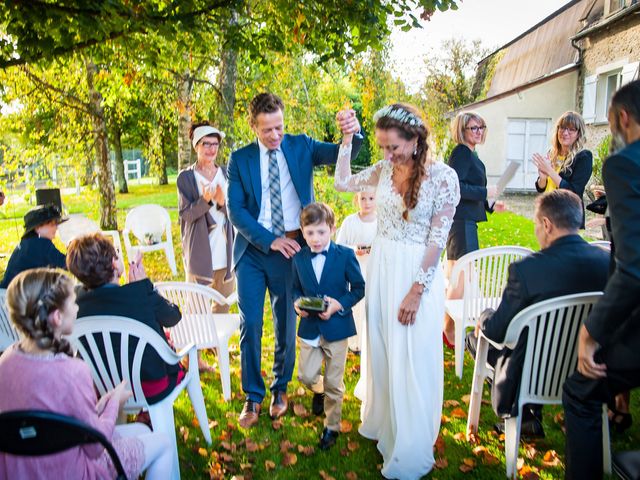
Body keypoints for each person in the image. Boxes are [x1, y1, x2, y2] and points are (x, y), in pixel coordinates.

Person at [335, 103, 460, 479]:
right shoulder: (383, 169)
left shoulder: (444, 177)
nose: (388, 155)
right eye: (383, 147)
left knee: (411, 353)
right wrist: (345, 140)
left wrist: (416, 292)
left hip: (417, 272)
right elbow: (343, 182)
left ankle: (409, 440)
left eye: (394, 147)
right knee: (384, 347)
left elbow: (437, 241)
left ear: (416, 138)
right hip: (383, 267)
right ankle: (385, 422)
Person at [227, 92, 363, 428]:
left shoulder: (301, 145)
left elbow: (344, 155)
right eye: (267, 130)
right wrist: (268, 240)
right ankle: (253, 396)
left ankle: (280, 388)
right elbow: (237, 211)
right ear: (253, 126)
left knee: (287, 321)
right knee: (251, 325)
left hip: (293, 249)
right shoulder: (239, 159)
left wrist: (352, 134)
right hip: (253, 252)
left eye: (279, 128)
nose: (275, 136)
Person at [0, 268, 173, 479]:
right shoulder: (72, 371)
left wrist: (101, 405)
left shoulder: (6, 361)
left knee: (142, 431)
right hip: (69, 470)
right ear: (56, 317)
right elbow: (95, 446)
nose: (76, 308)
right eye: (73, 303)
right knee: (164, 443)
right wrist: (113, 403)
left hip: (19, 470)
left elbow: (55, 420)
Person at [465, 190, 609, 437]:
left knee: (475, 338)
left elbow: (498, 331)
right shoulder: (606, 262)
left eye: (535, 224)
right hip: (588, 368)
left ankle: (526, 415)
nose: (536, 231)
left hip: (532, 373)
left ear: (546, 224)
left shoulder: (526, 270)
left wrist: (484, 316)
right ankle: (532, 417)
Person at [563, 80, 640, 479]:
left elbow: (634, 265)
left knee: (579, 390)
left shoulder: (623, 163)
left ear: (622, 118)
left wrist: (592, 332)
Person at [66, 233, 184, 405]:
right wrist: (146, 287)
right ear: (114, 263)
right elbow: (173, 317)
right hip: (150, 387)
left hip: (103, 387)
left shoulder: (74, 303)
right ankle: (150, 417)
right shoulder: (140, 293)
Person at [292, 203, 365, 450]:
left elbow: (358, 289)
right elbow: (294, 289)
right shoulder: (299, 258)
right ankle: (318, 389)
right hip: (310, 329)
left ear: (332, 229)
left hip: (337, 329)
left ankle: (331, 427)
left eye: (321, 232)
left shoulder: (344, 255)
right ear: (302, 232)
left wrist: (338, 305)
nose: (316, 239)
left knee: (335, 383)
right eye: (310, 233)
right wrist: (296, 304)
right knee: (306, 375)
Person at [444, 112, 505, 346]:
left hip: (465, 221)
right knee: (462, 278)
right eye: (473, 128)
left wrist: (489, 204)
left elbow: (471, 190)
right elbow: (455, 186)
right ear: (462, 130)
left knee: (460, 278)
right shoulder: (461, 152)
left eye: (481, 127)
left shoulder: (471, 154)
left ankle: (446, 328)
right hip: (460, 223)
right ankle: (448, 330)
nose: (478, 131)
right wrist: (484, 192)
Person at [177, 121, 234, 307]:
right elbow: (186, 215)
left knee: (222, 311)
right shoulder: (186, 178)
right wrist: (206, 201)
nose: (211, 149)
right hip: (199, 256)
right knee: (196, 316)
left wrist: (222, 203)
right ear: (196, 146)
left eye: (215, 144)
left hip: (225, 257)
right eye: (206, 144)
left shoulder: (227, 173)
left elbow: (237, 213)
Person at [532, 111, 592, 228]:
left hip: (567, 219)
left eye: (571, 129)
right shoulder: (552, 153)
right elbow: (541, 188)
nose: (565, 133)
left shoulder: (584, 157)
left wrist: (549, 171)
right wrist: (543, 178)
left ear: (579, 133)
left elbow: (573, 191)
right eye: (562, 128)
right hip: (548, 215)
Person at [335, 188, 377, 353]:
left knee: (370, 303)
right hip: (355, 268)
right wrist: (354, 249)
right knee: (356, 305)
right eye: (363, 198)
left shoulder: (380, 222)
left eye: (371, 198)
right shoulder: (350, 222)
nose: (367, 203)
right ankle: (355, 341)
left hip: (373, 267)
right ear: (357, 200)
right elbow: (339, 245)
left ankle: (370, 340)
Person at [0, 204, 67, 288]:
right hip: (16, 297)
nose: (56, 228)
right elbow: (67, 264)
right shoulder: (42, 244)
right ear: (37, 228)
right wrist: (75, 250)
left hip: (7, 291)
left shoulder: (27, 242)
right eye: (52, 225)